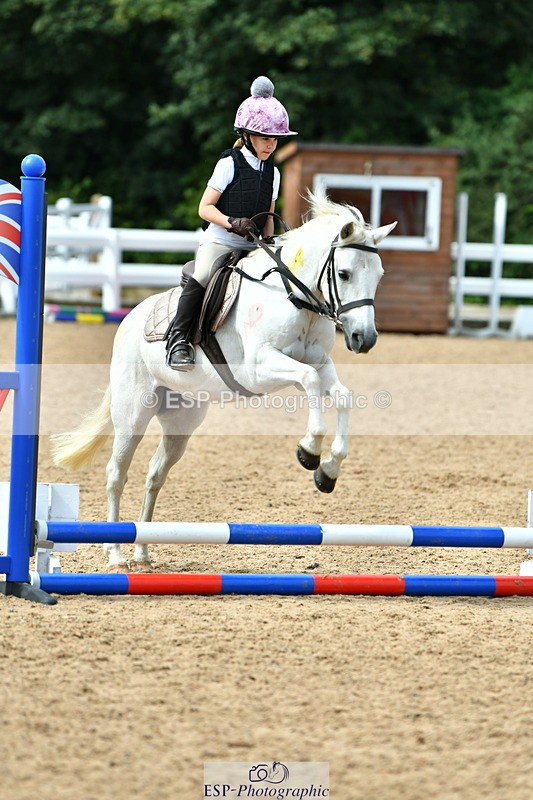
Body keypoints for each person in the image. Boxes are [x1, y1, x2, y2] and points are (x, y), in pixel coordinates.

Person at [165, 75, 298, 370]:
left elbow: (268, 217)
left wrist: (270, 243)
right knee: (202, 275)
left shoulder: (273, 173)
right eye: (265, 138)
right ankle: (178, 340)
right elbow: (204, 208)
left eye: (275, 138)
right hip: (220, 241)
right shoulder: (229, 163)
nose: (271, 144)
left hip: (252, 246)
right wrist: (232, 222)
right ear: (248, 135)